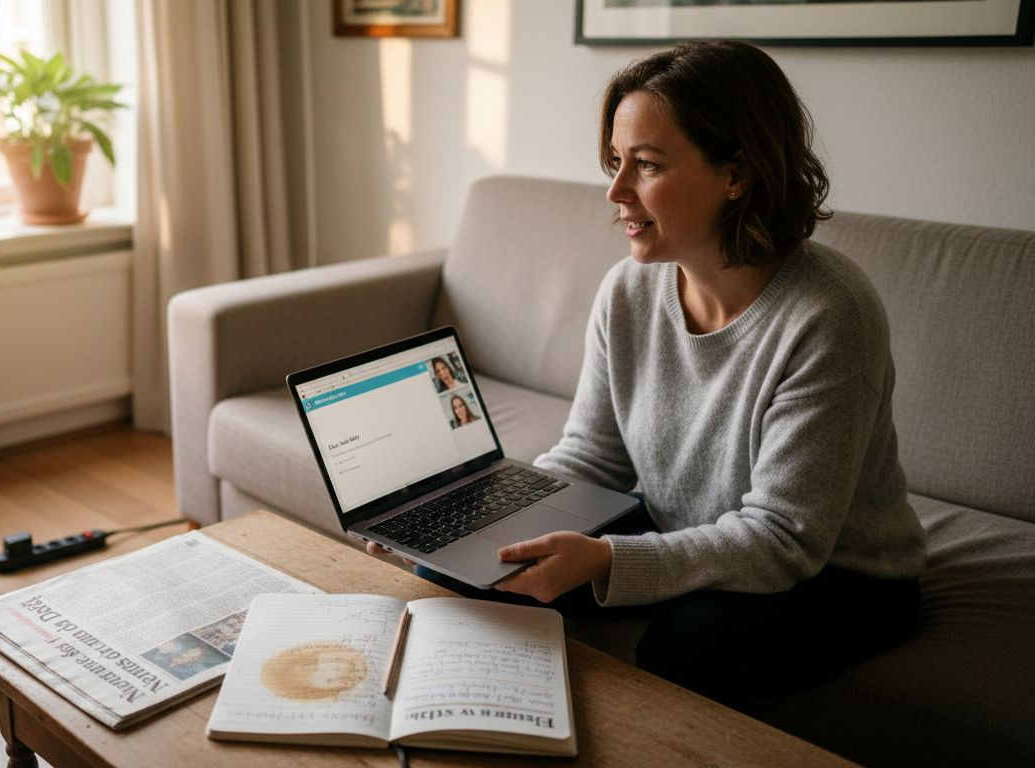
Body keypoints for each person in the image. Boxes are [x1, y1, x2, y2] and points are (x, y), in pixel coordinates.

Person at [371, 40, 926, 712]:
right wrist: (484, 517)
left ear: (736, 174)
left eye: (648, 165)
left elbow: (785, 538)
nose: (615, 192)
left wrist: (609, 560)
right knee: (460, 571)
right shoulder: (628, 290)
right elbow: (591, 455)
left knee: (687, 647)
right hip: (681, 525)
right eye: (616, 162)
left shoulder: (829, 315)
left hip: (838, 571)